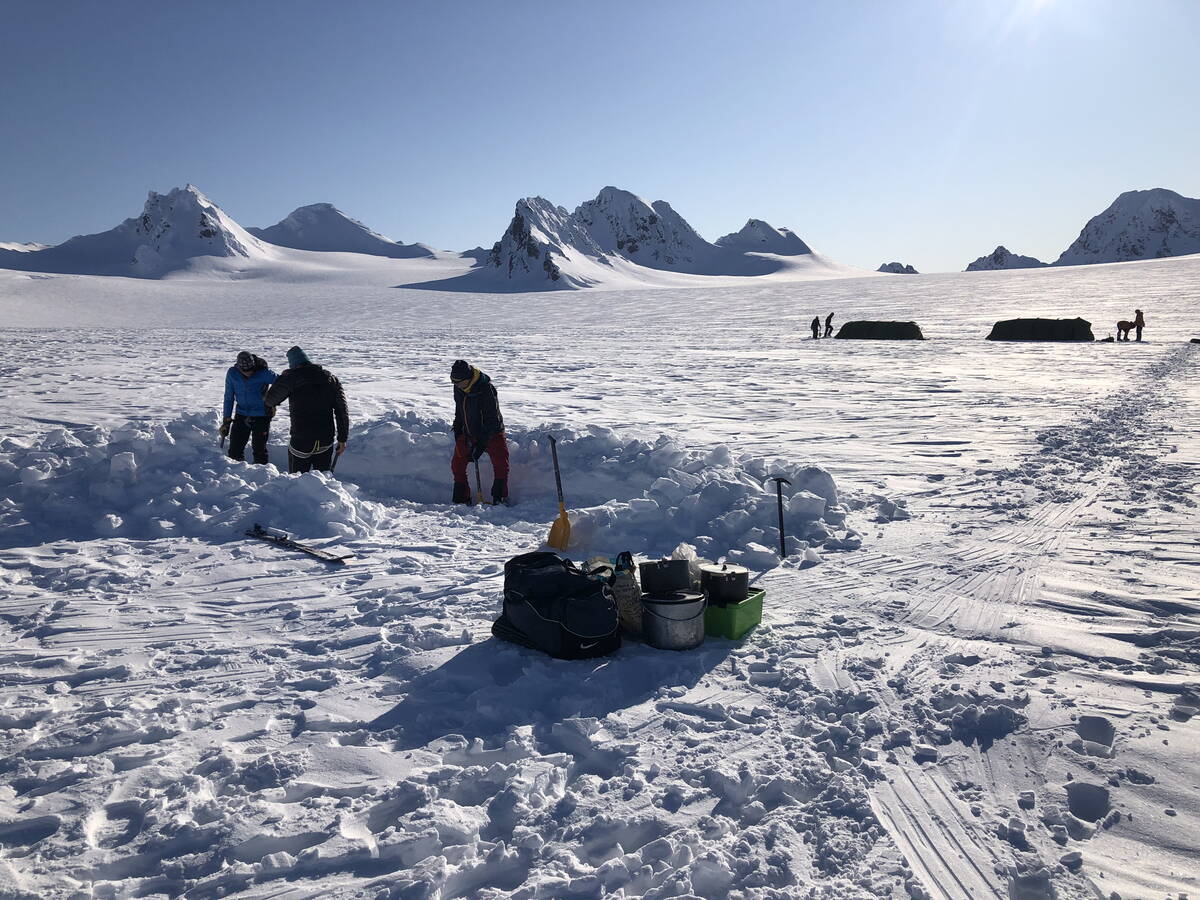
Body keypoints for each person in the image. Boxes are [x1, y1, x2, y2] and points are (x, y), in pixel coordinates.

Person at [264, 346, 348, 473]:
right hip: (325, 439)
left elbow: (270, 400)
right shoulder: (331, 378)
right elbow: (342, 410)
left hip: (301, 439)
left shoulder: (291, 378)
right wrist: (342, 438)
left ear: (292, 364)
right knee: (323, 480)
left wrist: (284, 376)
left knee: (297, 481)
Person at [450, 359, 509, 504]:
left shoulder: (486, 389)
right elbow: (459, 411)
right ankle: (461, 499)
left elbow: (492, 419)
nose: (456, 385)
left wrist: (481, 444)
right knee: (457, 464)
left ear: (469, 378)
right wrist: (458, 430)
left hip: (492, 432)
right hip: (469, 432)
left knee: (501, 463)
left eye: (459, 382)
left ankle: (499, 498)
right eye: (453, 382)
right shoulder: (458, 388)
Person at [220, 351, 277, 464]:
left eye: (251, 371)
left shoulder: (264, 373)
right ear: (239, 368)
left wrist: (273, 401)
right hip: (241, 414)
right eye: (245, 371)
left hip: (262, 415)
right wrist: (226, 419)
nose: (248, 374)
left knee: (259, 449)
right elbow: (228, 397)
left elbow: (282, 383)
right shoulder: (232, 373)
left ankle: (262, 475)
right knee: (234, 450)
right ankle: (237, 474)